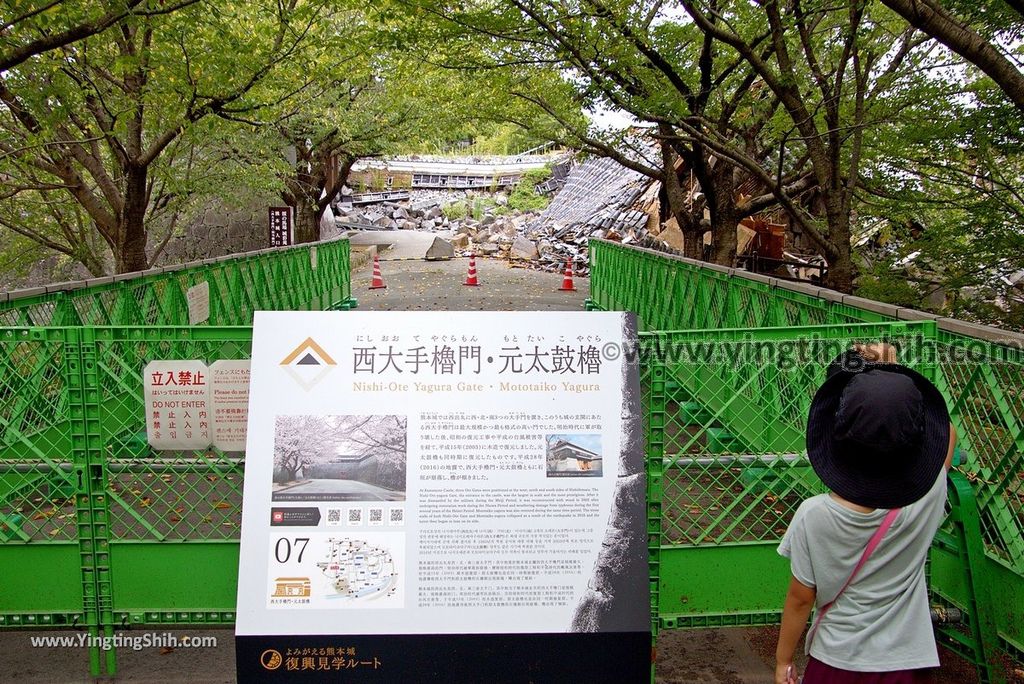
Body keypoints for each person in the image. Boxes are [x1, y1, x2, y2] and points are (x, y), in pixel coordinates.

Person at [774, 344, 957, 684]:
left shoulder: (812, 515)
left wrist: (783, 660)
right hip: (905, 662)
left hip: (835, 659)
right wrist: (891, 378)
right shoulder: (928, 495)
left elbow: (800, 600)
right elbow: (944, 432)